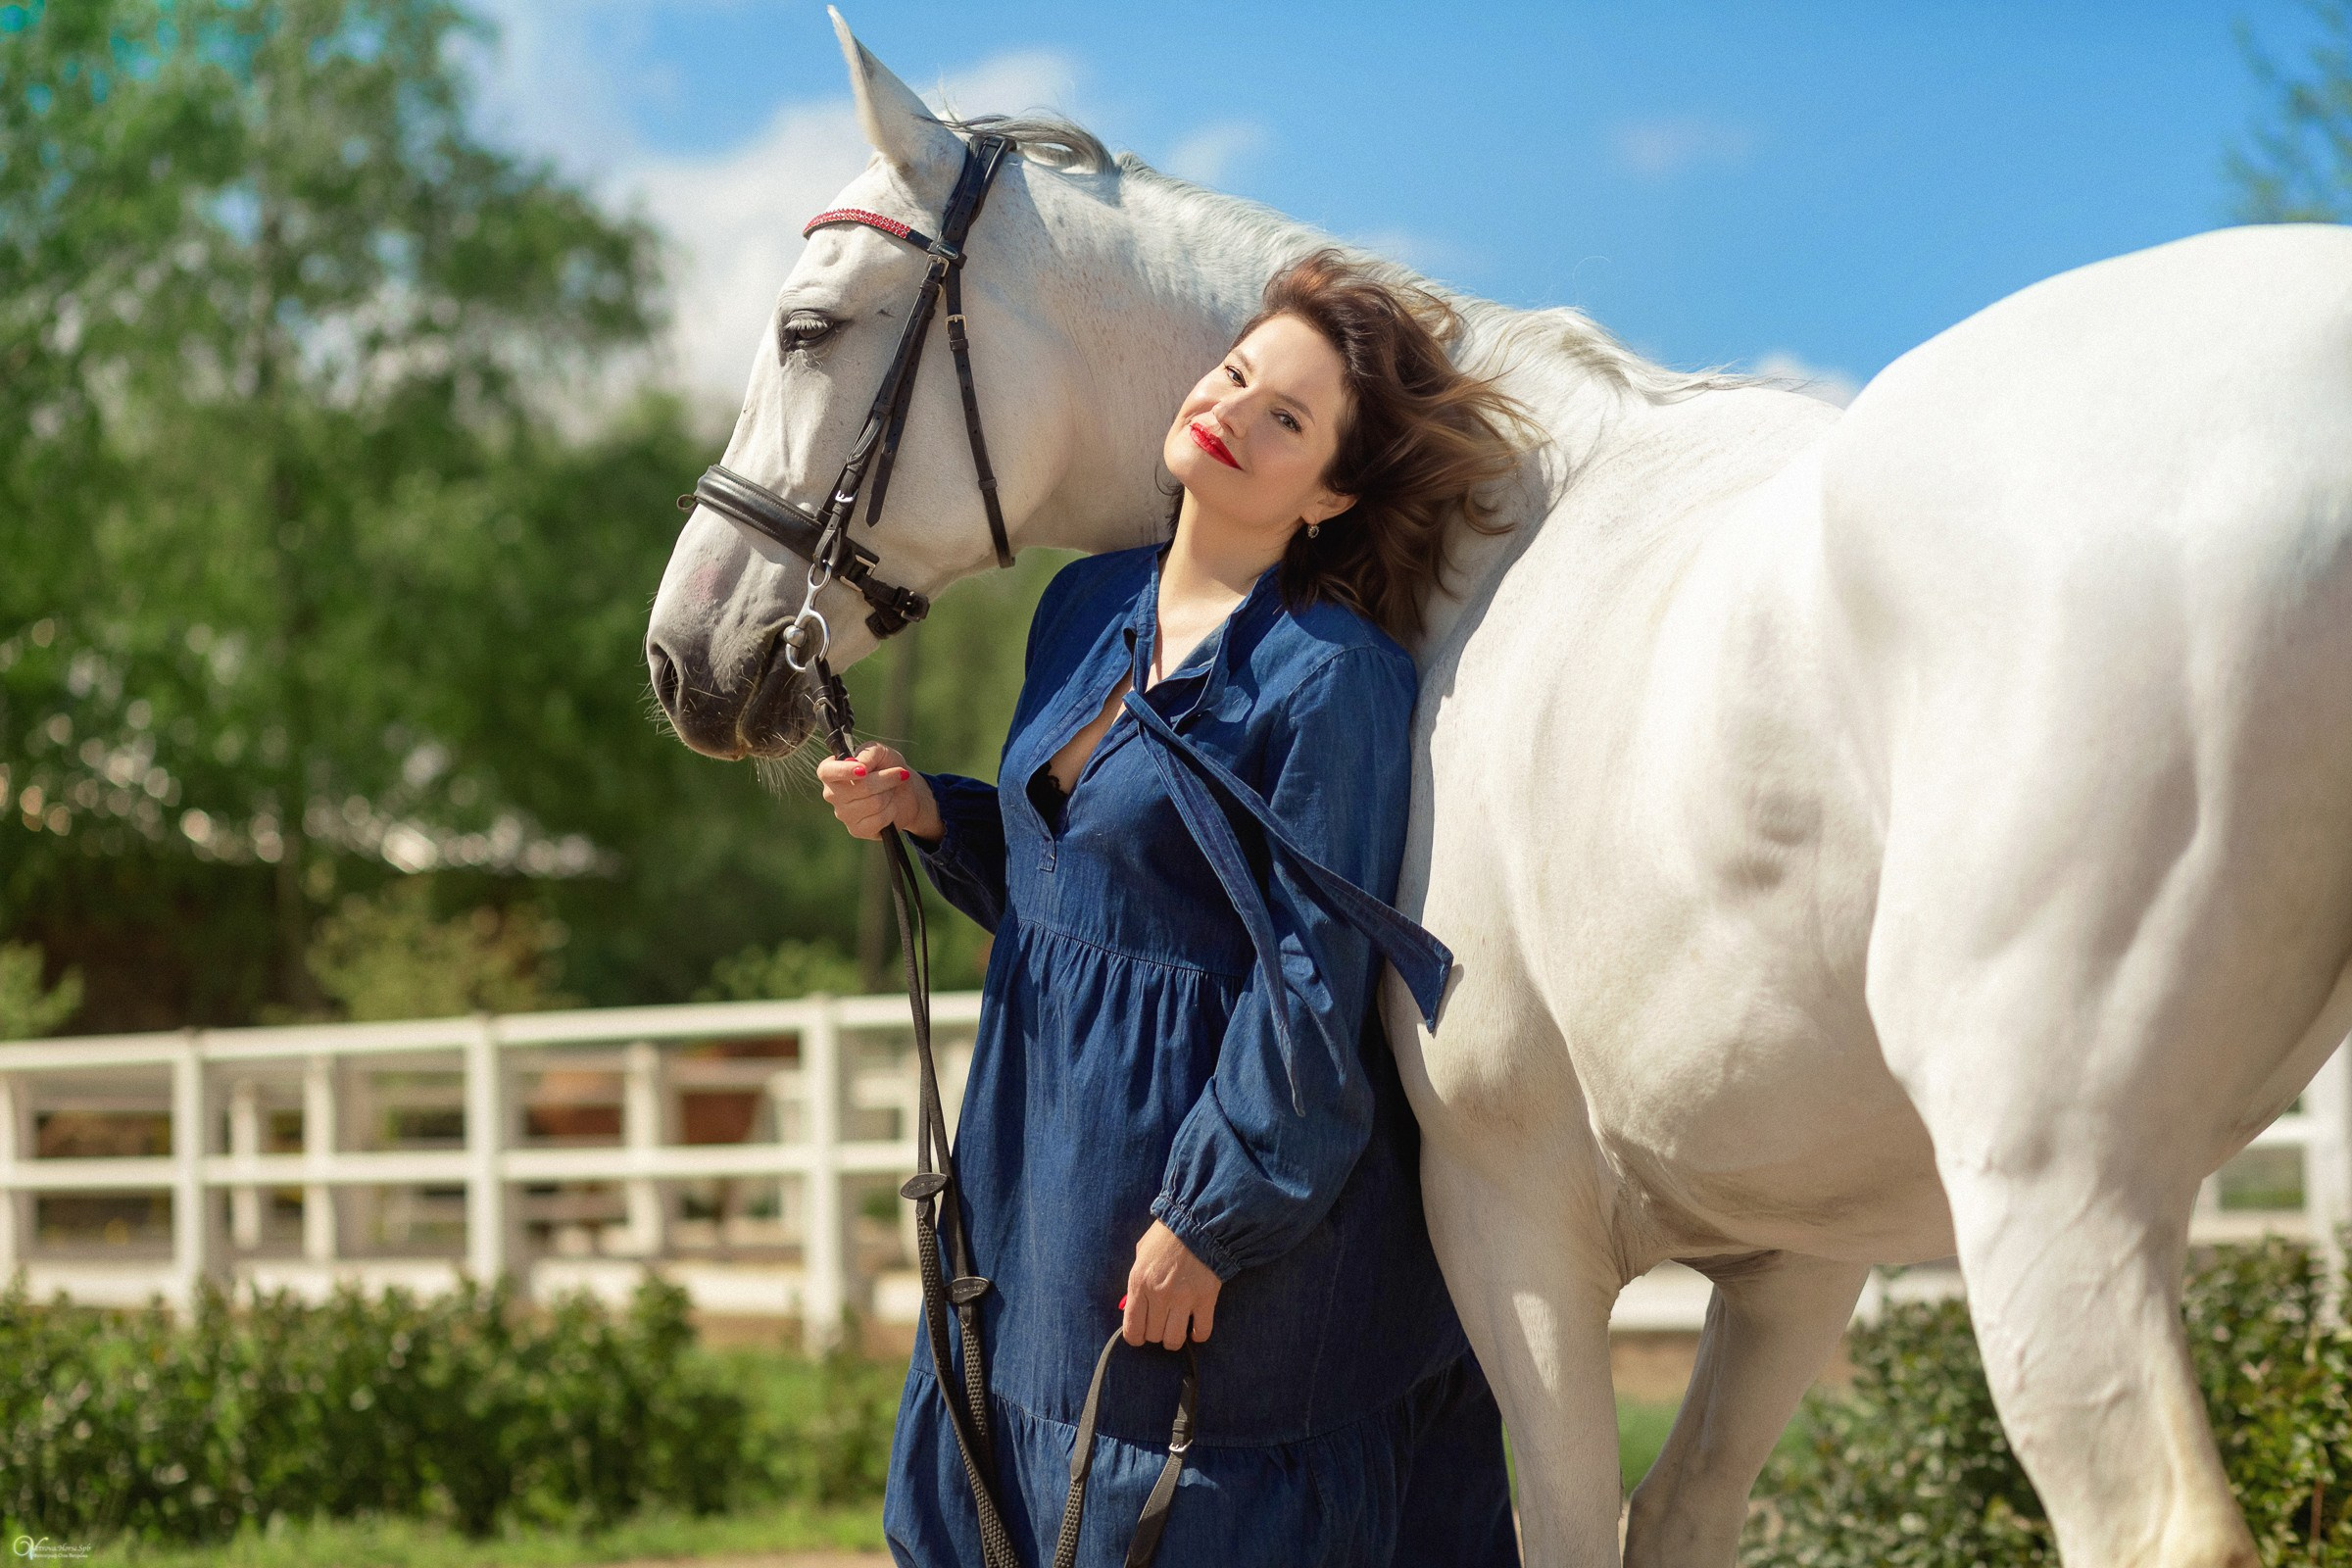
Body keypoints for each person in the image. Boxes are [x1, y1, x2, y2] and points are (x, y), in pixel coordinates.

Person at [819, 248, 1536, 1567]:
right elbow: (1081, 893)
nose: (1233, 409)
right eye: (1237, 372)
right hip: (1030, 1165)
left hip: (1191, 1199)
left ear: (1330, 492)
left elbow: (1311, 983)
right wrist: (930, 813)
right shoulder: (1084, 600)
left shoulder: (1332, 677)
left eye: (1287, 418)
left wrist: (1212, 1220)